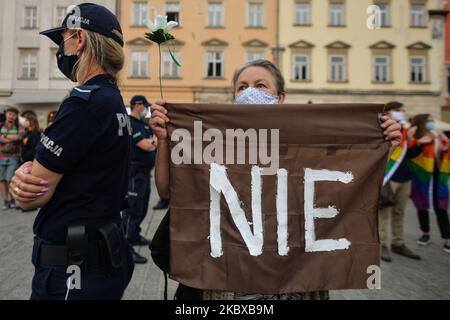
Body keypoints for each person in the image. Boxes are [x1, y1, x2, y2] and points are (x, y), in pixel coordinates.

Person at [150, 59, 402, 300]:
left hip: (291, 280)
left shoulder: (306, 143)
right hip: (224, 284)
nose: (250, 92)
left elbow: (349, 184)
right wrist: (163, 139)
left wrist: (382, 145)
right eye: (242, 87)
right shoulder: (214, 141)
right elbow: (167, 191)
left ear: (280, 97)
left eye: (261, 85)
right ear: (234, 98)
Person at [9, 3, 134, 299]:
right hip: (101, 255)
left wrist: (22, 177)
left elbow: (32, 197)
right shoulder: (111, 99)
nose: (60, 50)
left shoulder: (84, 102)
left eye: (62, 39)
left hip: (73, 269)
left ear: (79, 39)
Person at [379, 102, 421, 262]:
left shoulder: (405, 130)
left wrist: (415, 141)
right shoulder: (383, 129)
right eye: (398, 110)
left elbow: (411, 154)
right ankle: (382, 245)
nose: (402, 113)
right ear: (388, 113)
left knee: (399, 212)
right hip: (388, 177)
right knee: (383, 214)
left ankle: (398, 243)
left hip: (405, 177)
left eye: (403, 110)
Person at [122, 95, 157, 264]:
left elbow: (152, 141)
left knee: (142, 207)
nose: (146, 109)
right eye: (145, 106)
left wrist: (152, 141)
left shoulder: (143, 123)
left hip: (144, 173)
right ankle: (126, 246)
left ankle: (134, 236)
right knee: (132, 209)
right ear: (137, 105)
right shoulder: (131, 123)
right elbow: (146, 145)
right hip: (135, 173)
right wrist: (153, 142)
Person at [408, 114, 450, 253]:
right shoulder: (415, 137)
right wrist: (420, 143)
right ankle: (425, 233)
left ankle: (447, 238)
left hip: (438, 176)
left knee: (441, 207)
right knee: (422, 205)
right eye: (429, 120)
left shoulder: (437, 135)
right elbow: (411, 155)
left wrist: (445, 149)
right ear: (422, 122)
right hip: (422, 176)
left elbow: (442, 155)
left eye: (432, 120)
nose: (432, 122)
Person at [0, 107, 21, 210]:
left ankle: (12, 198)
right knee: (2, 179)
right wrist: (11, 138)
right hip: (0, 157)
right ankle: (5, 201)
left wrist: (5, 139)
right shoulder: (1, 126)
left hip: (13, 156)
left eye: (13, 114)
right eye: (9, 114)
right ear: (6, 114)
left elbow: (19, 137)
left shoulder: (18, 126)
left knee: (10, 179)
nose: (11, 116)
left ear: (16, 116)